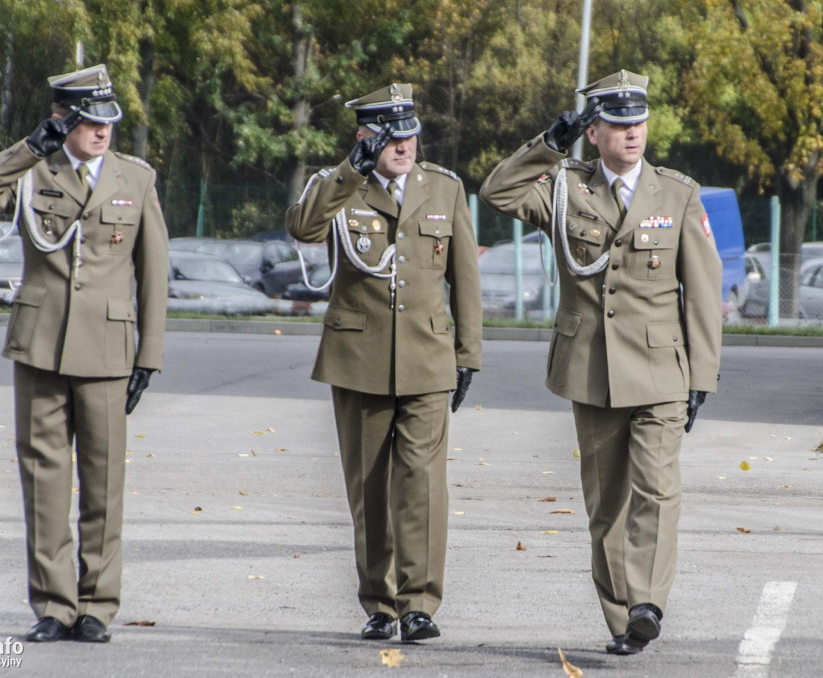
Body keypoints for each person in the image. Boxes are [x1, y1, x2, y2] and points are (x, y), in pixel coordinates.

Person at [480, 70, 721, 654]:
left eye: (639, 121)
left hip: (662, 369)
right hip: (591, 368)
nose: (632, 133)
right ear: (595, 133)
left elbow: (704, 289)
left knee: (658, 490)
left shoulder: (678, 194)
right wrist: (547, 144)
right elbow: (497, 193)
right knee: (606, 505)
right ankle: (623, 621)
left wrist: (703, 374)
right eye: (617, 124)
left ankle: (647, 601)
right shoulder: (565, 187)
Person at [0, 64, 168, 644]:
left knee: (102, 484)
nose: (101, 132)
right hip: (42, 344)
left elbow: (153, 272)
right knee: (44, 479)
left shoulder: (136, 178)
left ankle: (97, 604)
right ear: (61, 120)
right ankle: (54, 603)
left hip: (107, 347)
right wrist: (28, 149)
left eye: (107, 122)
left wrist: (149, 354)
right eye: (88, 121)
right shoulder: (33, 171)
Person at [286, 83, 482, 643]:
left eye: (410, 132)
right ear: (366, 135)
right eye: (391, 134)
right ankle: (380, 603)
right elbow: (303, 228)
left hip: (426, 356)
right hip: (358, 358)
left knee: (422, 484)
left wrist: (468, 353)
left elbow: (463, 276)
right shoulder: (339, 185)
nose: (404, 144)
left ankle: (419, 603)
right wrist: (352, 169)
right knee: (369, 487)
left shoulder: (443, 188)